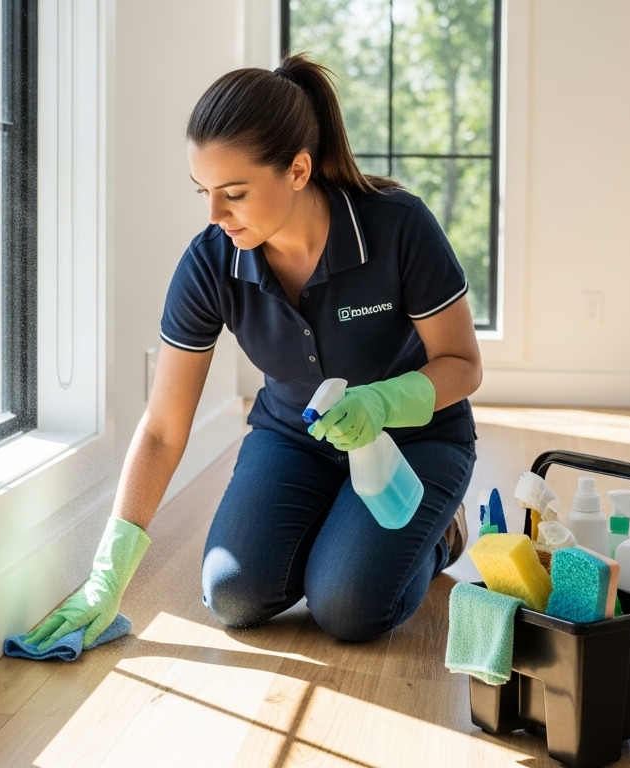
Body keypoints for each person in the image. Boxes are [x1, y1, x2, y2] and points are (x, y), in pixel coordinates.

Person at [23, 54, 481, 650]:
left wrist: (382, 402)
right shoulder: (211, 263)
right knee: (233, 595)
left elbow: (463, 365)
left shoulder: (397, 227)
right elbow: (162, 428)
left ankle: (440, 533)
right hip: (295, 439)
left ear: (297, 170)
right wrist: (106, 576)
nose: (215, 214)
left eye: (234, 193)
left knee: (349, 607)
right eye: (204, 192)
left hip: (414, 440)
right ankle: (340, 525)